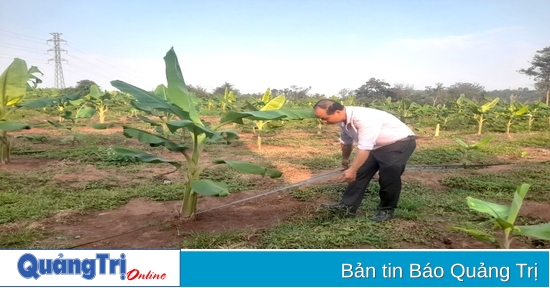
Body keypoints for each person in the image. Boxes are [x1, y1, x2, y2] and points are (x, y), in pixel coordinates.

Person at [313, 99, 416, 222]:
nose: (323, 122)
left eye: (325, 118)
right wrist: (345, 158)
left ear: (338, 112)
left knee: (389, 174)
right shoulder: (342, 120)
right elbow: (346, 142)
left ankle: (386, 210)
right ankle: (347, 206)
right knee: (360, 172)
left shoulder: (363, 118)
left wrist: (352, 169)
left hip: (399, 143)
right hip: (375, 145)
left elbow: (364, 147)